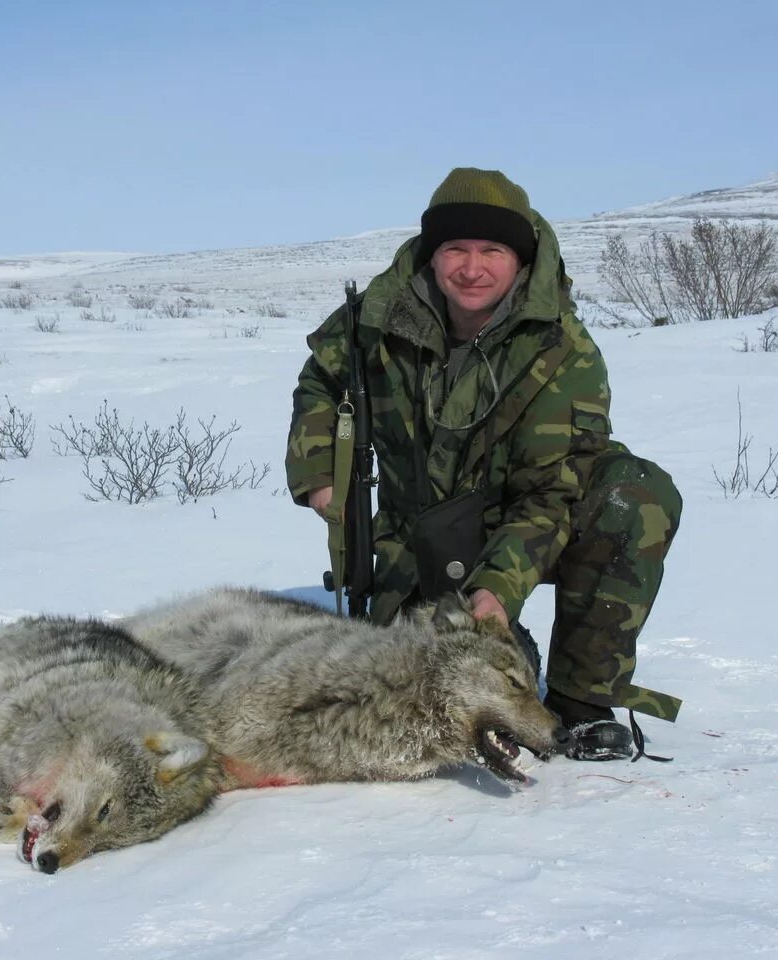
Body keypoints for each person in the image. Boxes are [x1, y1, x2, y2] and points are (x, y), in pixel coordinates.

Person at [285, 167, 682, 761]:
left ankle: (581, 699)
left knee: (635, 497)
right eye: (455, 250)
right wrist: (320, 475)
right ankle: (495, 645)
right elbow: (321, 378)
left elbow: (552, 492)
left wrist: (498, 587)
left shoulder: (563, 349)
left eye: (491, 250)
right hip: (413, 529)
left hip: (520, 520)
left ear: (519, 259)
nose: (472, 269)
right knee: (423, 675)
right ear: (431, 253)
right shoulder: (377, 317)